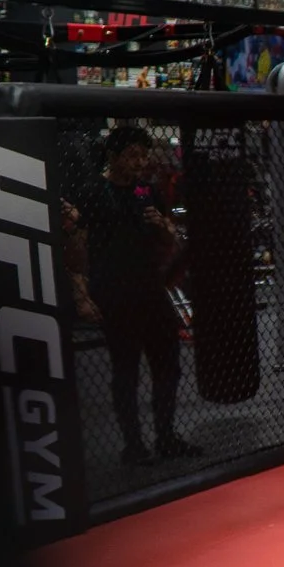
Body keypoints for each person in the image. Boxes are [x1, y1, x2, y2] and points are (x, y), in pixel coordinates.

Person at [66, 125, 193, 464]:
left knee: (168, 364)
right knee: (126, 370)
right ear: (113, 156)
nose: (140, 162)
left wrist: (164, 227)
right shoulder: (94, 191)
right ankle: (133, 446)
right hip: (113, 291)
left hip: (149, 288)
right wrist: (81, 296)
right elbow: (75, 248)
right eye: (132, 156)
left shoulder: (146, 191)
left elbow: (170, 242)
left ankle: (166, 437)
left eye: (143, 155)